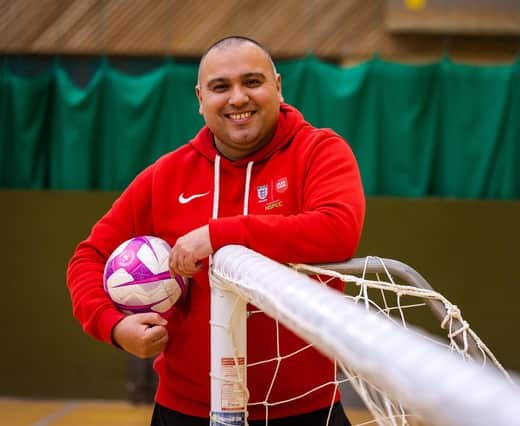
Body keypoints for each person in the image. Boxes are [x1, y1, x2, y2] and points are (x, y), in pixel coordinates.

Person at [67, 36, 365, 426]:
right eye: (221, 87)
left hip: (305, 409)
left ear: (277, 86)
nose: (238, 98)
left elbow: (337, 230)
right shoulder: (167, 176)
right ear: (200, 98)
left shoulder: (318, 151)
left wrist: (218, 234)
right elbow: (89, 257)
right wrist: (114, 325)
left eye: (252, 82)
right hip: (187, 410)